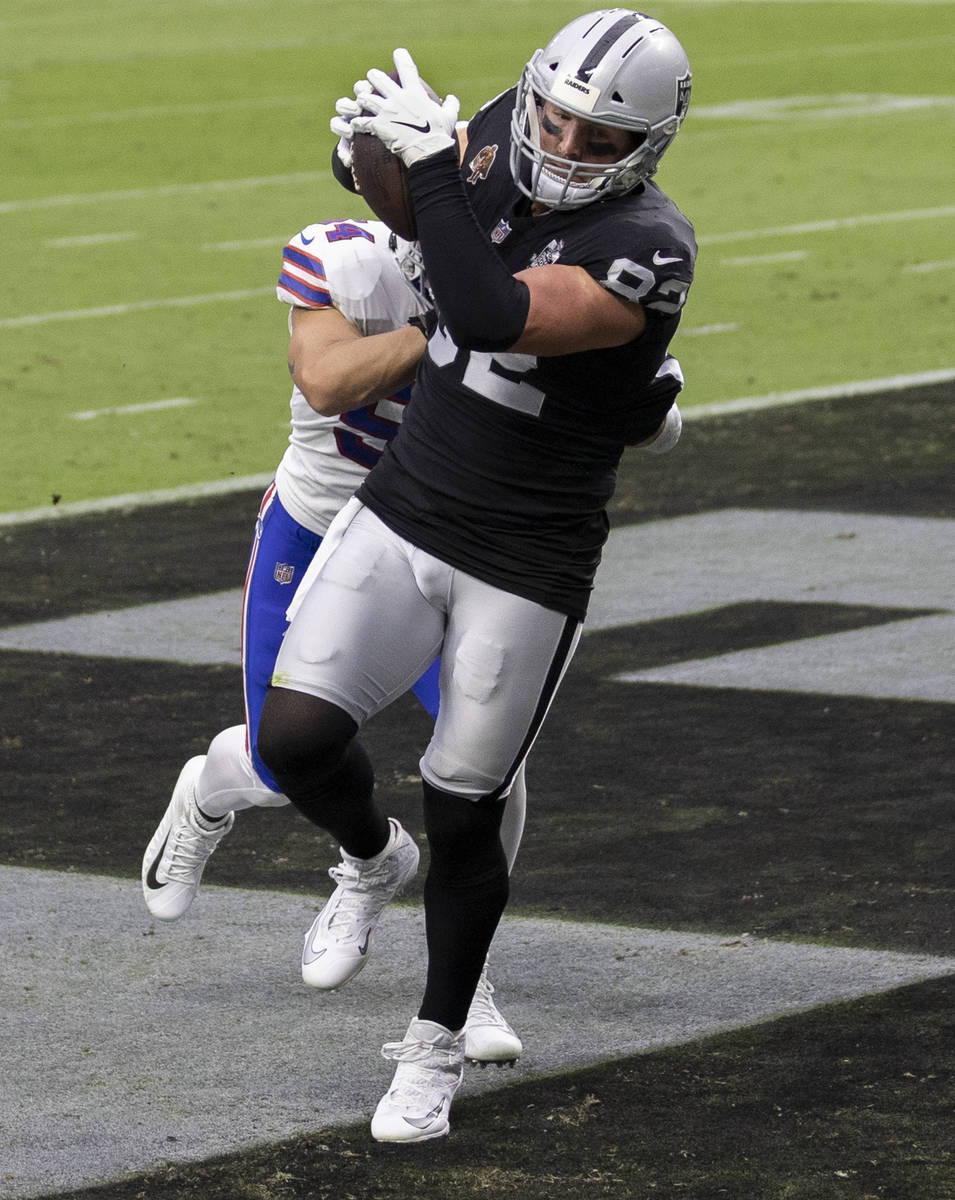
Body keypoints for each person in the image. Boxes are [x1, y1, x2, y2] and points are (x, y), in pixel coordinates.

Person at [256, 8, 696, 1142]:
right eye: (551, 113)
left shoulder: (650, 241)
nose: (561, 141)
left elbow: (492, 305)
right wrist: (375, 151)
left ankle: (436, 1046)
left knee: (466, 808)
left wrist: (438, 176)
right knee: (294, 740)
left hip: (524, 551)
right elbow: (411, 219)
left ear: (647, 143)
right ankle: (366, 857)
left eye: (598, 137)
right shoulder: (504, 131)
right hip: (410, 498)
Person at [140, 217, 526, 1065]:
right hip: (319, 525)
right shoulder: (344, 253)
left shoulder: (521, 252)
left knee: (485, 764)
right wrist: (454, 326)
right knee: (284, 762)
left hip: (443, 537)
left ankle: (469, 979)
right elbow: (325, 379)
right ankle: (289, 822)